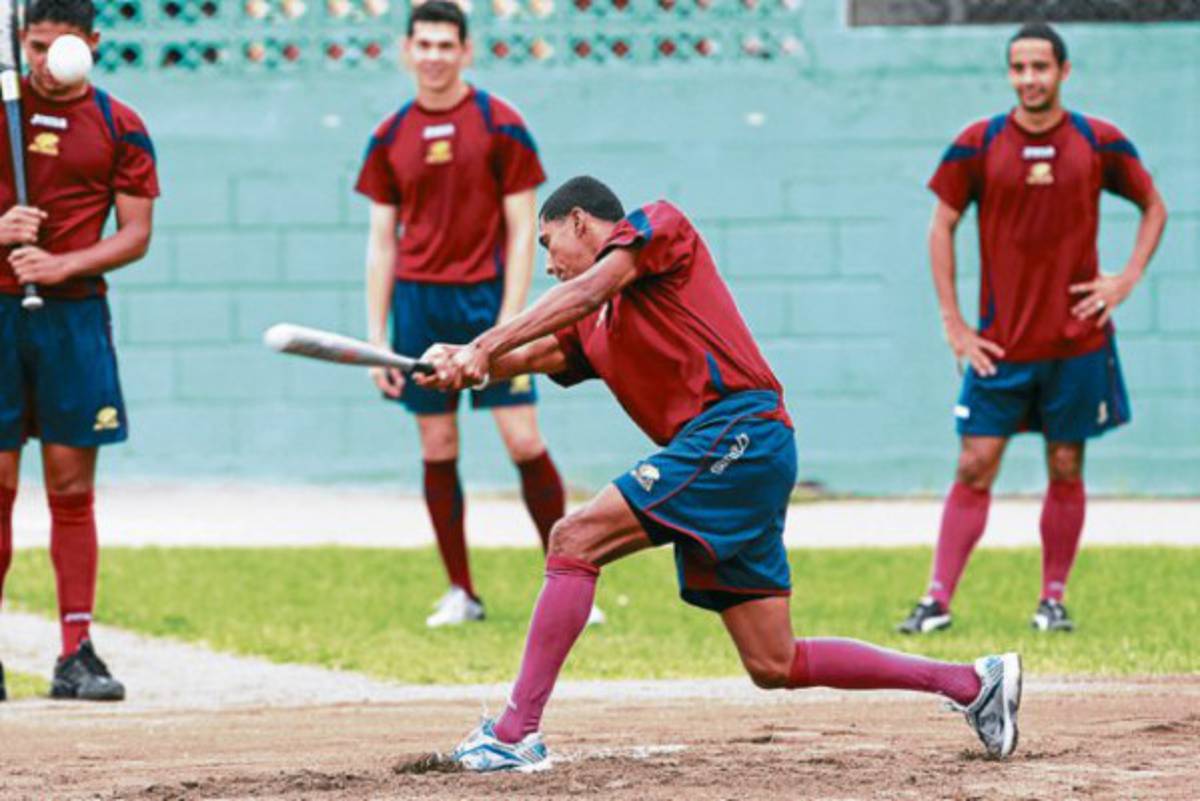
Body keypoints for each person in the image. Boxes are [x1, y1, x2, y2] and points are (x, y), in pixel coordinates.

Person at [417, 176, 1022, 771]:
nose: (548, 265)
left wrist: (485, 344)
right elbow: (533, 353)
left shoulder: (658, 228)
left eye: (548, 245)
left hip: (738, 433)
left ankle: (514, 732)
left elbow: (587, 291)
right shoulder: (592, 321)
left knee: (574, 539)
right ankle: (973, 683)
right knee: (773, 662)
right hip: (731, 454)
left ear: (580, 222)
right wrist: (465, 359)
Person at [897, 23, 1167, 636]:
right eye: (1018, 68)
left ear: (1063, 72)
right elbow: (941, 225)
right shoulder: (978, 144)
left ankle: (1052, 601)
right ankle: (936, 601)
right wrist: (955, 323)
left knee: (1067, 465)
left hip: (1078, 344)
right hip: (1001, 347)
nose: (1029, 78)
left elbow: (1155, 206)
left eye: (1040, 67)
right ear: (1009, 74)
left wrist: (1124, 280)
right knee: (974, 464)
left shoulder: (1100, 142)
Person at [353, 1, 589, 628]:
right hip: (420, 308)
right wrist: (378, 337)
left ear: (466, 51)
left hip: (488, 303)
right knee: (438, 443)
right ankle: (462, 591)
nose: (433, 56)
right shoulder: (388, 137)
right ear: (407, 51)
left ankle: (564, 583)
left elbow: (522, 233)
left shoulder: (500, 125)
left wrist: (509, 325)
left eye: (444, 45)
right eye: (423, 44)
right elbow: (382, 242)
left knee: (522, 438)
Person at [0, 0, 158, 701]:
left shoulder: (121, 124)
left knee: (70, 488)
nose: (45, 61)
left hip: (74, 320)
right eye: (34, 45)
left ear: (93, 43)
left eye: (61, 46)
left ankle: (75, 652)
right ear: (19, 40)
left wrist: (62, 265)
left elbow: (135, 233)